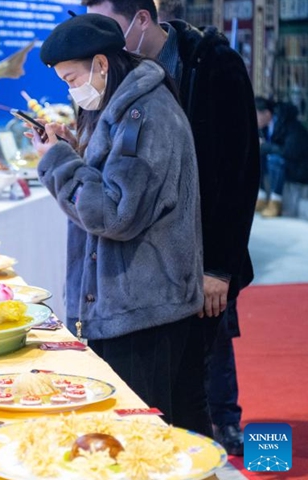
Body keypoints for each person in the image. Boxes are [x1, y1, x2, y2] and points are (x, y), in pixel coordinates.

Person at [83, 0, 260, 455]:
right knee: (182, 375)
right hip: (155, 258)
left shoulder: (210, 62)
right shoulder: (120, 73)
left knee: (208, 353)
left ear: (142, 19)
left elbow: (240, 169)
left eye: (111, 25)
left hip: (206, 246)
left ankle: (225, 433)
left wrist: (220, 265)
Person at [31, 14, 206, 436]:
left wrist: (57, 162)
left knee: (139, 439)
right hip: (136, 305)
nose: (72, 90)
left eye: (73, 78)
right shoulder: (129, 107)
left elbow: (114, 213)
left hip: (141, 312)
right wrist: (74, 151)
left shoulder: (144, 115)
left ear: (102, 65)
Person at [255, 97, 308, 217]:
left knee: (274, 159)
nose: (254, 119)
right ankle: (261, 197)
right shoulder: (264, 127)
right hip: (283, 165)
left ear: (267, 114)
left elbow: (290, 152)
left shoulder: (289, 125)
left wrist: (266, 146)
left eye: (256, 114)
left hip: (298, 167)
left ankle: (275, 202)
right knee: (258, 157)